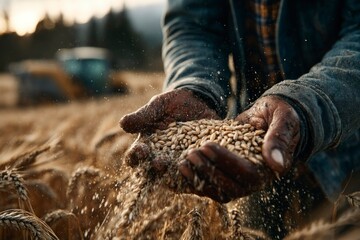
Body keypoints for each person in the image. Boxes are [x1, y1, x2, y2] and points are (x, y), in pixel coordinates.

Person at [120, 0, 360, 238]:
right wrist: (196, 87)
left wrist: (309, 105)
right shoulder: (241, 141)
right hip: (253, 134)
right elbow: (194, 25)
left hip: (347, 149)